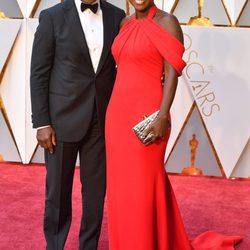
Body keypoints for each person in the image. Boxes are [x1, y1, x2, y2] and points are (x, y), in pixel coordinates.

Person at [105, 0, 242, 249]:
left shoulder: (168, 22)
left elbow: (171, 72)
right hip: (116, 117)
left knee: (144, 187)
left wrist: (162, 116)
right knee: (121, 189)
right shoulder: (124, 24)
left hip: (149, 117)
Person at [30, 0, 125, 249]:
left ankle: (88, 245)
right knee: (58, 194)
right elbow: (39, 72)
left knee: (95, 194)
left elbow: (124, 63)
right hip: (61, 122)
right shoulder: (52, 17)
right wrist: (42, 122)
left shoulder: (118, 16)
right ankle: (55, 245)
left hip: (101, 120)